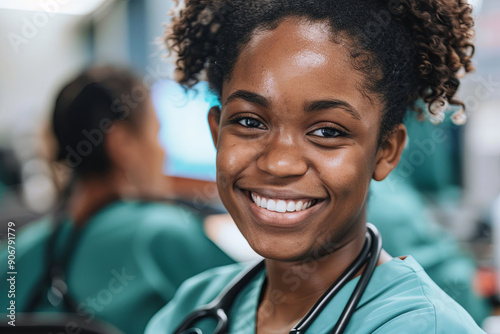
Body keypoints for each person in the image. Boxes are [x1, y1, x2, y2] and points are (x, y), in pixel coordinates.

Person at [145, 0, 486, 333]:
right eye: (250, 122)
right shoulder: (190, 309)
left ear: (386, 151)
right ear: (216, 131)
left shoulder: (423, 326)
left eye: (327, 131)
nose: (279, 163)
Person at [0, 66, 234, 334]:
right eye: (156, 133)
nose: (162, 151)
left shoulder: (15, 254)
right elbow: (256, 303)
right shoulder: (162, 233)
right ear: (121, 142)